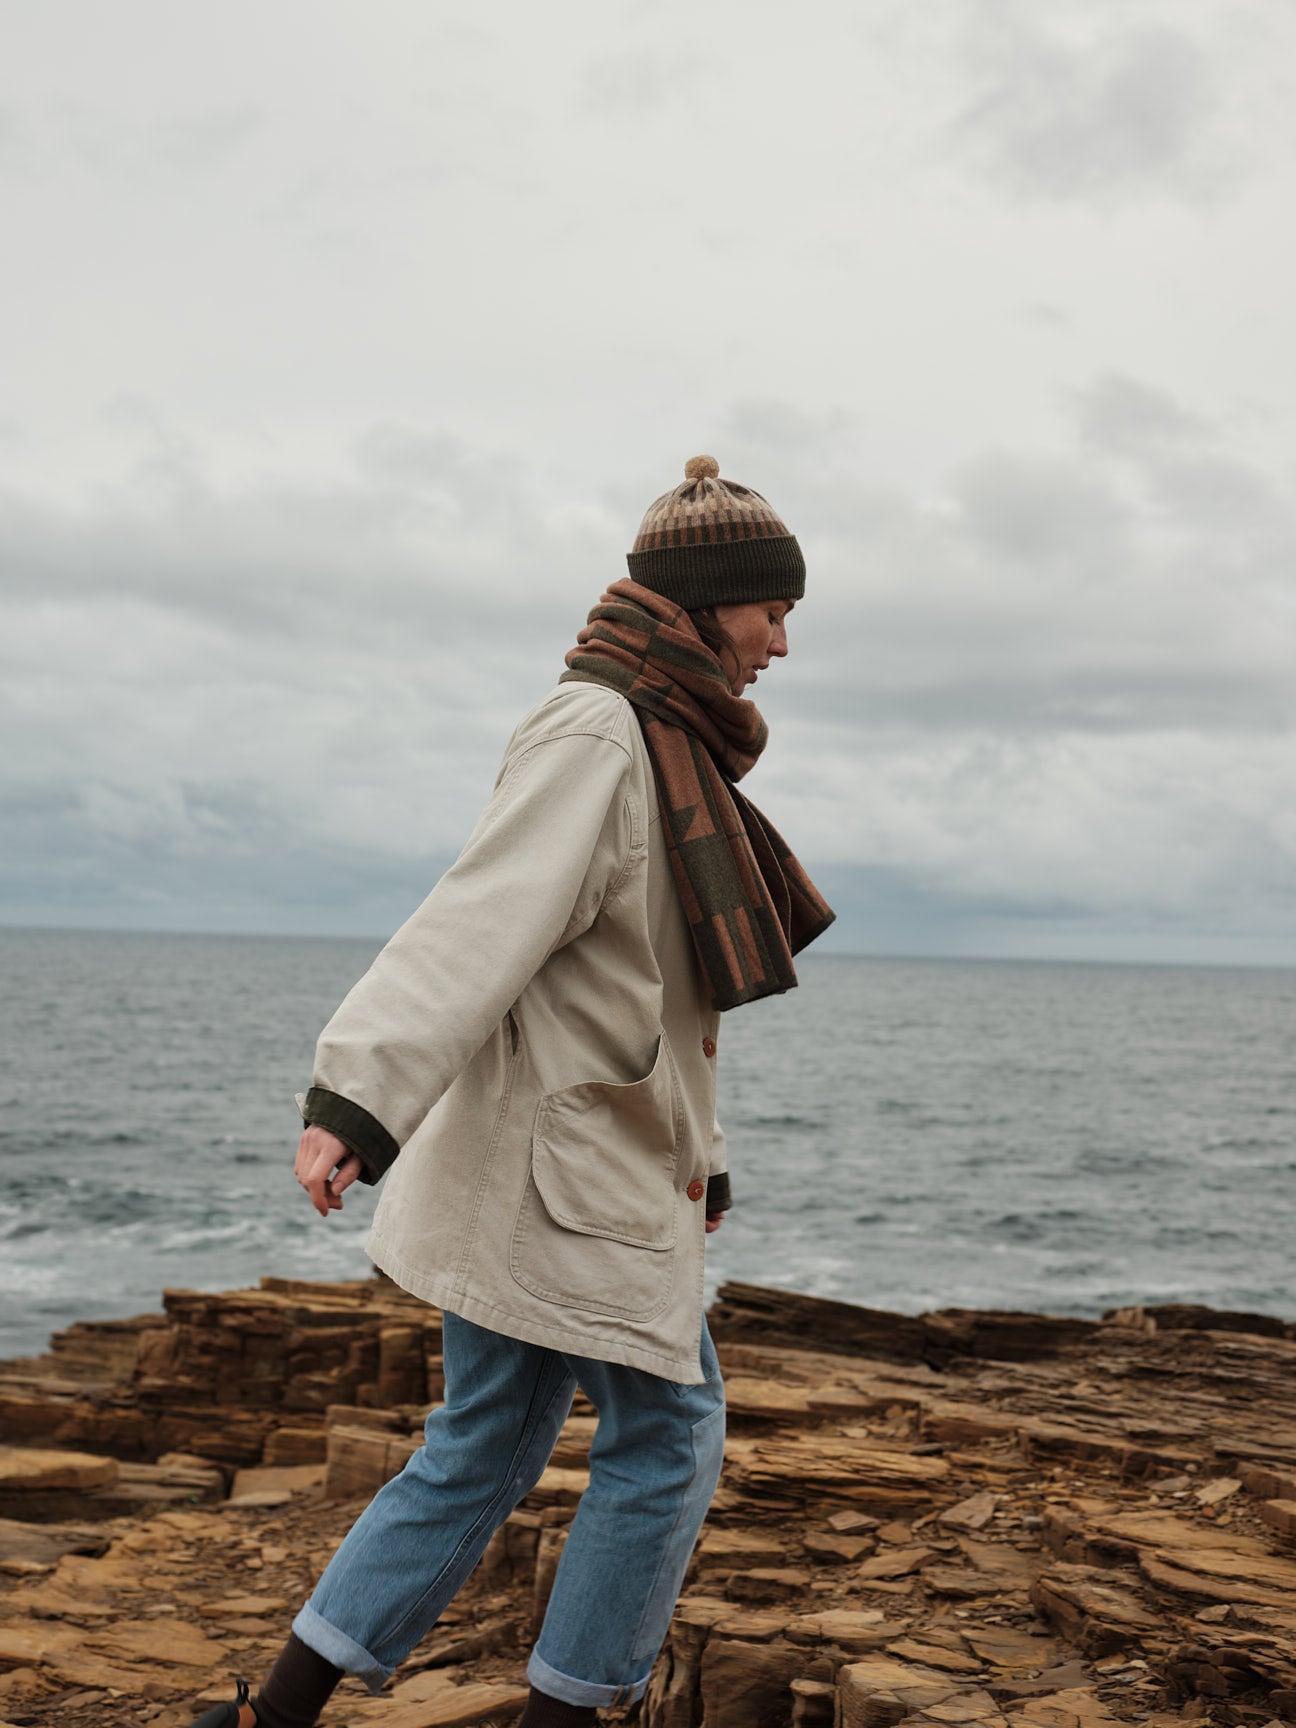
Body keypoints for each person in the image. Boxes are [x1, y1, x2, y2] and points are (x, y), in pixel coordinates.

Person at [188, 454, 834, 1728]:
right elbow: (478, 924)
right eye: (773, 611)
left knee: (481, 1438)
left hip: (586, 1161)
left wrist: (703, 1161)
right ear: (708, 604)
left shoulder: (661, 738)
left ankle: (274, 1716)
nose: (781, 644)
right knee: (671, 1438)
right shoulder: (602, 733)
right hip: (565, 1173)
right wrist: (354, 1102)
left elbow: (651, 1001)